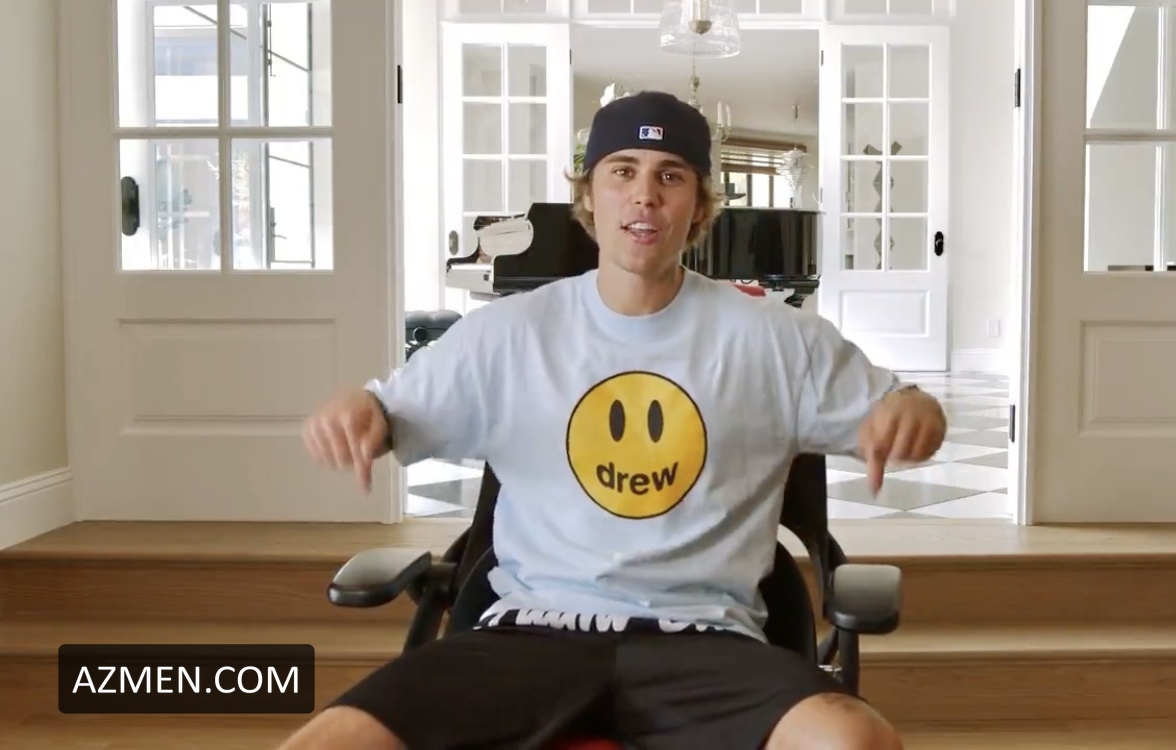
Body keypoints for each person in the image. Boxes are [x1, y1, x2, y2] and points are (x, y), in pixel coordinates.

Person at [287, 90, 946, 750]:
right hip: (529, 634)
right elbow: (388, 410)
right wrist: (362, 413)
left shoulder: (777, 338)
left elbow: (905, 407)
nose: (645, 196)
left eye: (670, 176)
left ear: (698, 205)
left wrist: (913, 413)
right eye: (623, 171)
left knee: (854, 740)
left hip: (706, 641)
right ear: (589, 195)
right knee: (330, 741)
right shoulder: (507, 333)